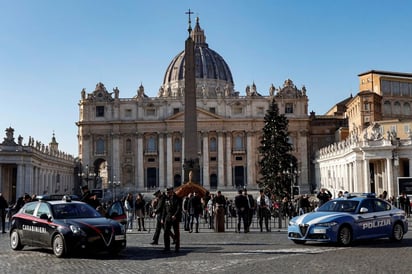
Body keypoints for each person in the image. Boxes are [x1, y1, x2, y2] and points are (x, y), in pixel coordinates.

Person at [161, 187, 182, 253]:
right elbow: (164, 209)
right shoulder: (166, 199)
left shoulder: (177, 198)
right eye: (167, 192)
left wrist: (175, 215)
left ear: (172, 191)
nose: (167, 193)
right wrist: (162, 218)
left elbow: (179, 208)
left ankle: (177, 247)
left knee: (176, 232)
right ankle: (167, 247)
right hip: (168, 216)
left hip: (175, 217)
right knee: (166, 232)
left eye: (168, 192)